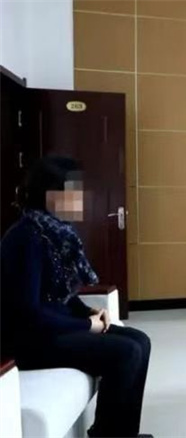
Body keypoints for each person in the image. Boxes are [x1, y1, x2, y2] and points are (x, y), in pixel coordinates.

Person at [0, 156, 152, 438]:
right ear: (52, 195)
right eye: (74, 190)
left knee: (141, 341)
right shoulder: (26, 238)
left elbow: (61, 295)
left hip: (52, 330)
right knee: (126, 352)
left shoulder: (54, 232)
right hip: (31, 342)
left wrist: (88, 312)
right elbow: (28, 312)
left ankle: (123, 432)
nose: (81, 197)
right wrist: (86, 326)